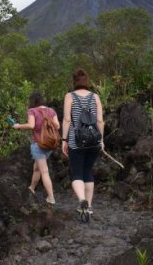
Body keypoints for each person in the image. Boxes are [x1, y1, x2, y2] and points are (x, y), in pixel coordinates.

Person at [61, 69, 104, 223]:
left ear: (74, 82)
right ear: (87, 81)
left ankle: (81, 200)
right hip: (94, 140)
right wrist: (102, 140)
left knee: (76, 173)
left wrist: (64, 140)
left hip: (76, 140)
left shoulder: (70, 96)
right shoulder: (95, 97)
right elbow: (99, 121)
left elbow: (67, 120)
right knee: (88, 172)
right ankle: (89, 206)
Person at [13, 91, 58, 205]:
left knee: (44, 171)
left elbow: (31, 125)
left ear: (33, 101)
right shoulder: (51, 111)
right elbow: (57, 126)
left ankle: (51, 198)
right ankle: (32, 188)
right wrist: (47, 120)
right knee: (37, 168)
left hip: (38, 145)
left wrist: (18, 126)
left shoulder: (32, 111)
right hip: (49, 145)